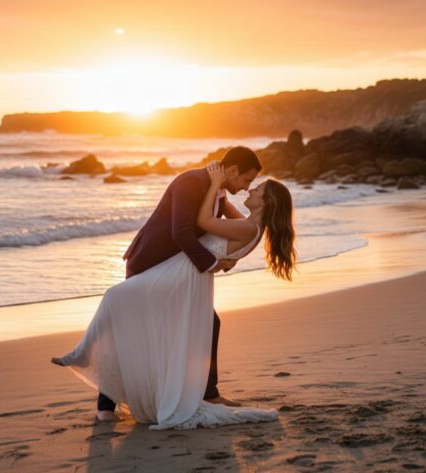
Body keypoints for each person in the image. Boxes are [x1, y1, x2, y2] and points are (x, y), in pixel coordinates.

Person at [52, 148, 296, 429]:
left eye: (253, 185)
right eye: (246, 180)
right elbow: (182, 231)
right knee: (129, 321)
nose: (245, 188)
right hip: (152, 261)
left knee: (202, 323)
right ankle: (105, 401)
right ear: (231, 171)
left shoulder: (218, 191)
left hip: (182, 269)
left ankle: (204, 392)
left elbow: (230, 228)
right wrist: (213, 262)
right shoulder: (191, 183)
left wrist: (221, 259)